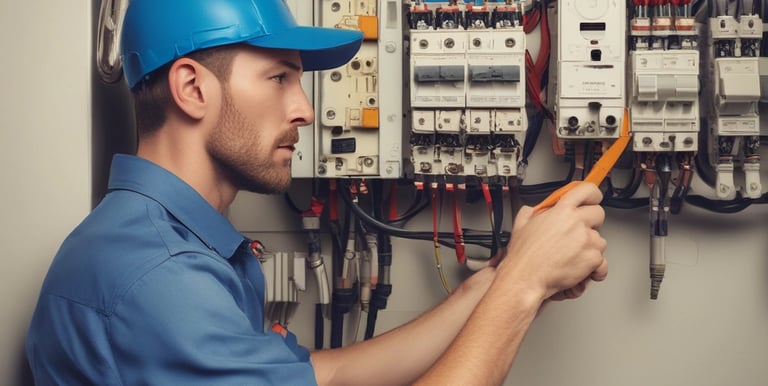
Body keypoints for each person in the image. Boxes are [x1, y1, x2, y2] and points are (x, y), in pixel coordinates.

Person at [25, 0, 608, 384]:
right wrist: (524, 287)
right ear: (192, 90)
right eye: (279, 77)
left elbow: (325, 376)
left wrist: (496, 281)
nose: (305, 110)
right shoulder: (160, 279)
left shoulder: (163, 242)